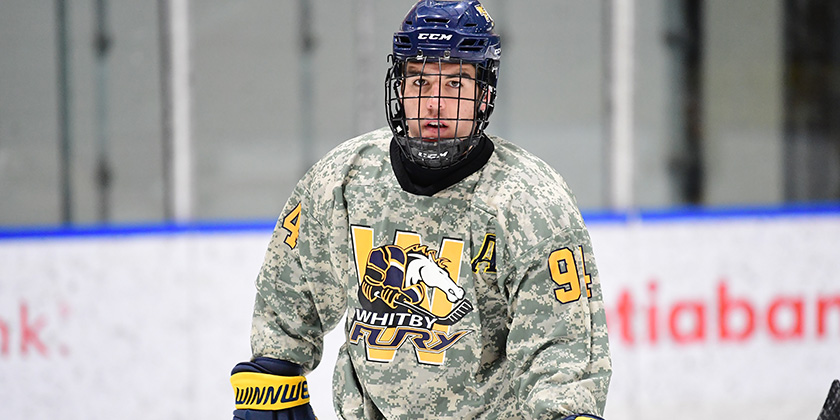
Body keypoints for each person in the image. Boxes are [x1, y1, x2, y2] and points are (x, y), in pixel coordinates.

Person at [229, 1, 611, 419]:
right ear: (399, 87)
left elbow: (560, 347)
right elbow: (288, 293)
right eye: (420, 82)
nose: (435, 103)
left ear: (484, 95)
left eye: (456, 85)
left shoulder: (529, 203)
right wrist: (271, 379)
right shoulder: (344, 180)